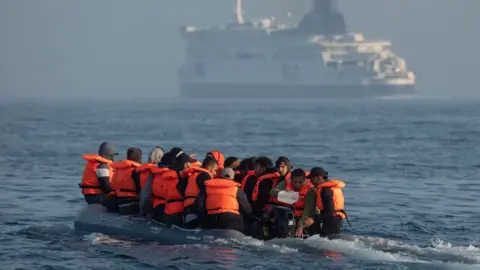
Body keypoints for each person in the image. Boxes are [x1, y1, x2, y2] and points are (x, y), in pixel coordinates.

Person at [269, 168, 316, 238]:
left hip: (304, 216)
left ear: (305, 180)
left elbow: (309, 210)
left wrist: (300, 226)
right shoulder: (286, 183)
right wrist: (284, 194)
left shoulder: (311, 189)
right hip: (289, 215)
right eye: (295, 182)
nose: (297, 185)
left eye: (300, 182)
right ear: (291, 180)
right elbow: (272, 192)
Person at [161, 148, 197, 225]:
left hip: (168, 212)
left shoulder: (165, 175)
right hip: (180, 212)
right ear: (185, 164)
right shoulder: (185, 176)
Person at [307, 167, 347, 237]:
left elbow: (330, 212)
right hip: (336, 219)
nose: (310, 181)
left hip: (332, 220)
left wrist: (314, 219)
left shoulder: (325, 190)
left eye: (312, 178)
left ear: (319, 178)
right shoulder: (328, 187)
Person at [179, 157, 218, 228]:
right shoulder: (205, 175)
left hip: (187, 210)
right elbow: (201, 197)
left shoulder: (194, 174)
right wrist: (203, 215)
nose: (215, 173)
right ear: (209, 167)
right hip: (195, 211)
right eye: (215, 170)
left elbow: (180, 188)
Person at [106, 147, 143, 213]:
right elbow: (140, 191)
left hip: (117, 201)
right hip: (130, 203)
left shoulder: (118, 169)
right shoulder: (136, 170)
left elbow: (112, 186)